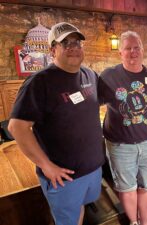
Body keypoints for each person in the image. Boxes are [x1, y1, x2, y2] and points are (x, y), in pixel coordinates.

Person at [8, 22, 105, 225]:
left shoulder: (90, 75)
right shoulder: (39, 82)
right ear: (53, 50)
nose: (73, 48)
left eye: (77, 43)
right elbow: (17, 127)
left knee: (79, 211)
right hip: (64, 177)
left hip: (92, 169)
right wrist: (46, 166)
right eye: (65, 43)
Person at [98, 31, 147, 225]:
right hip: (120, 147)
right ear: (120, 52)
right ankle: (133, 223)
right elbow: (92, 104)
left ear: (142, 50)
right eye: (128, 48)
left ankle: (144, 223)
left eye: (136, 47)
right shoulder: (109, 76)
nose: (133, 52)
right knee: (126, 188)